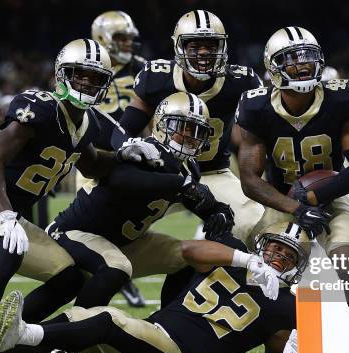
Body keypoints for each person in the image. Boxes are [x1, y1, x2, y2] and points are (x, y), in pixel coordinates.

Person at [0, 39, 151, 353]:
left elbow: (93, 164)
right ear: (61, 74)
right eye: (78, 75)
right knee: (9, 251)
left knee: (69, 277)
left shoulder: (87, 124)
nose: (86, 83)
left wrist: (124, 156)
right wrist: (7, 214)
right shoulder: (39, 106)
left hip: (12, 213)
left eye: (94, 78)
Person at [0, 222, 310, 353]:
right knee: (76, 317)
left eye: (287, 255)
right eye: (274, 249)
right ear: (262, 246)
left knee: (106, 319)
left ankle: (23, 333)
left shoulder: (286, 306)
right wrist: (245, 260)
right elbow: (188, 250)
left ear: (297, 267)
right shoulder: (231, 257)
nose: (278, 257)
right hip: (153, 336)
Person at [40, 92, 234, 353]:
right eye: (182, 127)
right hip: (75, 232)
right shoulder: (147, 151)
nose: (189, 136)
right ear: (161, 125)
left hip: (124, 241)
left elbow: (197, 199)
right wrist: (182, 185)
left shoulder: (188, 167)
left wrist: (218, 211)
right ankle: (65, 348)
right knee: (114, 267)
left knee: (187, 256)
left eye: (196, 131)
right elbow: (121, 179)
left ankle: (164, 330)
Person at [235, 27, 349, 353]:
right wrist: (295, 207)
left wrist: (314, 197)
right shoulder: (257, 106)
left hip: (329, 193)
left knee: (347, 263)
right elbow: (249, 178)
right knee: (273, 269)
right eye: (290, 59)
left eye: (307, 56)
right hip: (284, 198)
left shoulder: (341, 98)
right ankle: (283, 341)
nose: (302, 66)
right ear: (272, 68)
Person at [112, 10, 265, 245]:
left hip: (212, 173)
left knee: (255, 223)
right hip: (160, 171)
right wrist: (131, 150)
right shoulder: (157, 77)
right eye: (195, 46)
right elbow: (123, 130)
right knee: (110, 221)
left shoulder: (241, 82)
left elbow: (262, 134)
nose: (204, 53)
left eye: (211, 45)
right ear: (179, 47)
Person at [86, 10, 149, 308]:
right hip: (96, 155)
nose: (127, 43)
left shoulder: (145, 70)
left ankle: (119, 273)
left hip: (138, 154)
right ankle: (111, 276)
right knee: (88, 224)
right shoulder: (89, 67)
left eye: (129, 38)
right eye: (120, 37)